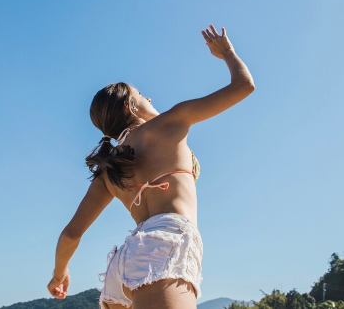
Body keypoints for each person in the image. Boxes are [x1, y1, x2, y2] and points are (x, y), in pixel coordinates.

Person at [47, 24, 255, 309]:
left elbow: (71, 234)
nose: (150, 99)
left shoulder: (109, 169)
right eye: (143, 95)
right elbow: (244, 86)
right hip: (166, 245)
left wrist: (60, 274)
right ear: (128, 107)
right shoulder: (170, 123)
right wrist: (228, 52)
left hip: (126, 261)